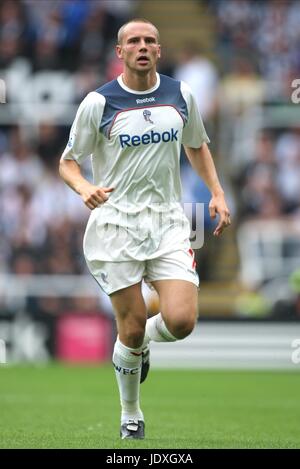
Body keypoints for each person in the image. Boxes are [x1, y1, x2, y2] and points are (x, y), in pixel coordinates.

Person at [59, 18, 231, 440]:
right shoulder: (98, 103)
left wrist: (217, 192)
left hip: (172, 217)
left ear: (159, 50)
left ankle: (138, 349)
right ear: (119, 52)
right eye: (133, 41)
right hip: (115, 222)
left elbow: (197, 144)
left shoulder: (181, 94)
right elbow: (68, 161)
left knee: (182, 320)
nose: (142, 46)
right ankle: (130, 414)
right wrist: (84, 187)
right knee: (131, 327)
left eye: (149, 40)